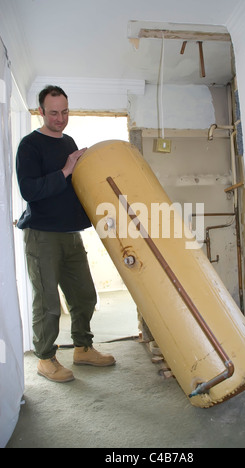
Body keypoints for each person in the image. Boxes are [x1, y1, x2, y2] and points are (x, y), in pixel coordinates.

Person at [16, 85, 116, 383]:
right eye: (54, 113)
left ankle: (83, 348)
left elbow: (74, 190)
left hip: (71, 234)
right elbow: (30, 190)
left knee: (85, 296)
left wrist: (98, 215)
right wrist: (66, 168)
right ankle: (45, 359)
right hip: (42, 235)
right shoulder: (30, 145)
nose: (60, 119)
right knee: (47, 304)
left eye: (65, 112)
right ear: (40, 113)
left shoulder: (68, 141)